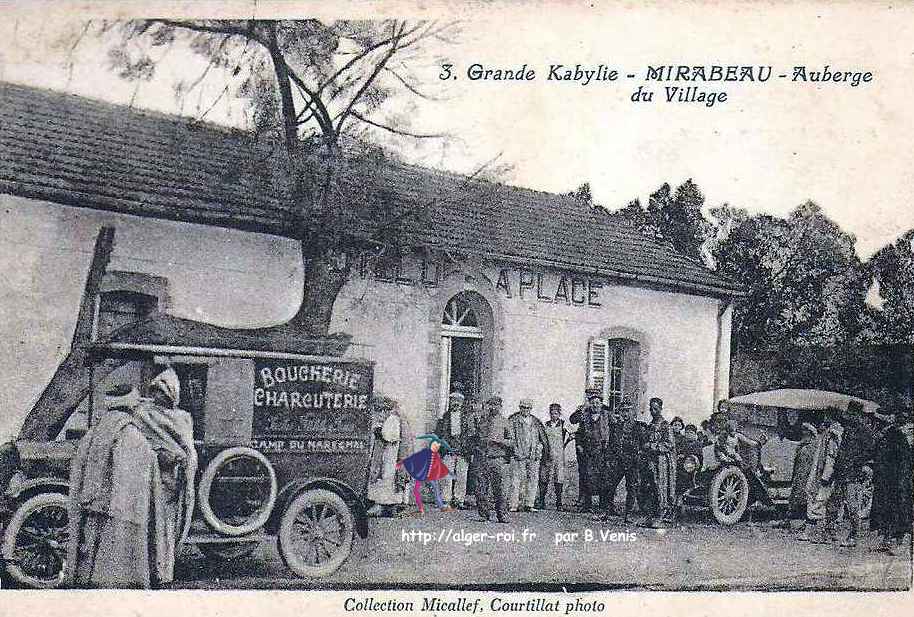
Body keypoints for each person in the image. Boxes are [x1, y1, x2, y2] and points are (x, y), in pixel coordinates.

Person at [67, 368, 196, 589]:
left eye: (163, 392)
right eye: (156, 391)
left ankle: (163, 569)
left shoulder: (181, 418)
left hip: (168, 482)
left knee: (164, 531)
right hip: (144, 488)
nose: (158, 396)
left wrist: (180, 461)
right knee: (144, 533)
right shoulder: (139, 420)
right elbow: (144, 454)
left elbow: (186, 449)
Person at [817, 401, 876, 547]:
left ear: (857, 414)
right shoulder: (849, 429)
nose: (848, 416)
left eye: (851, 414)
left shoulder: (865, 431)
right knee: (833, 503)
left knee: (853, 506)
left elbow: (870, 451)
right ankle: (829, 531)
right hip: (841, 473)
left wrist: (860, 464)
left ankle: (854, 535)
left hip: (853, 474)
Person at [870, 406, 913, 555]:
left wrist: (902, 481)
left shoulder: (897, 436)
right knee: (884, 509)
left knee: (898, 509)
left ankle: (900, 541)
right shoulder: (884, 435)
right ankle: (886, 540)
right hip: (885, 479)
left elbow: (904, 461)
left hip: (896, 480)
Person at [799, 407, 843, 543]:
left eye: (826, 415)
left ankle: (817, 533)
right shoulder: (829, 432)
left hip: (825, 473)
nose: (824, 418)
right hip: (821, 470)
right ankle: (824, 532)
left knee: (818, 500)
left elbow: (831, 456)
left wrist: (826, 475)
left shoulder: (833, 434)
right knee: (821, 501)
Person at [367, 395, 411, 516]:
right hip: (391, 451)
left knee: (387, 476)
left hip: (391, 452)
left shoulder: (394, 418)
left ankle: (381, 505)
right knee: (387, 476)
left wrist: (378, 432)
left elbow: (389, 436)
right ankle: (388, 506)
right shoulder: (396, 418)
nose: (382, 412)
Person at [474, 396, 514, 523]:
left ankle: (502, 514)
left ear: (500, 407)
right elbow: (476, 439)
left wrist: (500, 441)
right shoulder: (482, 421)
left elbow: (512, 442)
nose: (493, 407)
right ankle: (483, 514)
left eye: (495, 405)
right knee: (481, 488)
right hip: (483, 458)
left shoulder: (505, 422)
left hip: (498, 459)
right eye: (490, 405)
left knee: (500, 490)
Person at [569, 388, 610, 513]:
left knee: (602, 477)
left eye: (597, 402)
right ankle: (586, 504)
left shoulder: (607, 415)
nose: (595, 405)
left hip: (601, 451)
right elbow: (574, 423)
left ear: (601, 404)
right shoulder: (584, 415)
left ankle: (604, 505)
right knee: (586, 477)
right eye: (592, 402)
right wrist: (579, 445)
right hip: (587, 451)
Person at [602, 399, 642, 523]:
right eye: (623, 411)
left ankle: (628, 514)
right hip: (618, 461)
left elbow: (642, 445)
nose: (625, 414)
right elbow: (612, 444)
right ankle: (607, 511)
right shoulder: (616, 427)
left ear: (632, 412)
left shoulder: (638, 427)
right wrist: (610, 458)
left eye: (628, 411)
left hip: (632, 462)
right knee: (610, 485)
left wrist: (637, 457)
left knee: (631, 488)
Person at [639, 397, 676, 527]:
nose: (652, 411)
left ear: (660, 409)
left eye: (655, 409)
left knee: (661, 488)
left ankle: (661, 515)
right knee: (649, 488)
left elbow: (669, 444)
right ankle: (649, 515)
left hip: (661, 462)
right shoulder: (650, 425)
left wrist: (652, 446)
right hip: (649, 461)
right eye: (651, 408)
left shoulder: (666, 426)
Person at [508, 399, 550, 512]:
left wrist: (539, 449)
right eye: (523, 407)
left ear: (531, 409)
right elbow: (510, 438)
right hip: (519, 454)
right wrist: (515, 450)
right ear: (519, 408)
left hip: (533, 455)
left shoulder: (536, 421)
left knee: (533, 479)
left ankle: (529, 504)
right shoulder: (513, 420)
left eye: (527, 408)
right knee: (516, 480)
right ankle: (514, 504)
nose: (525, 410)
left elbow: (541, 439)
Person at [397, 433, 454, 515]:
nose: (436, 447)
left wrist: (448, 473)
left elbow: (441, 465)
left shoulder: (436, 455)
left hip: (431, 476)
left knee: (436, 489)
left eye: (438, 446)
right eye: (435, 445)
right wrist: (401, 462)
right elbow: (414, 457)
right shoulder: (425, 452)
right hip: (421, 474)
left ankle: (441, 506)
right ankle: (421, 509)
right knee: (417, 490)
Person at [436, 391, 469, 508]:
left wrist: (467, 448)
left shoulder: (467, 417)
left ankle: (459, 500)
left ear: (462, 403)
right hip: (448, 449)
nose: (455, 403)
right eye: (453, 401)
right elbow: (440, 434)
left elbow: (471, 434)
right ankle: (446, 499)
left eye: (458, 401)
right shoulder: (445, 417)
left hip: (462, 450)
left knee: (462, 476)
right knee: (446, 476)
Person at [538, 403, 569, 510]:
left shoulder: (563, 424)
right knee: (544, 477)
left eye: (556, 413)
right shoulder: (546, 425)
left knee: (558, 478)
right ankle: (541, 501)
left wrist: (565, 443)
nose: (553, 416)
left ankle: (559, 503)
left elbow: (573, 434)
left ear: (559, 414)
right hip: (547, 454)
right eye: (552, 413)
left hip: (559, 455)